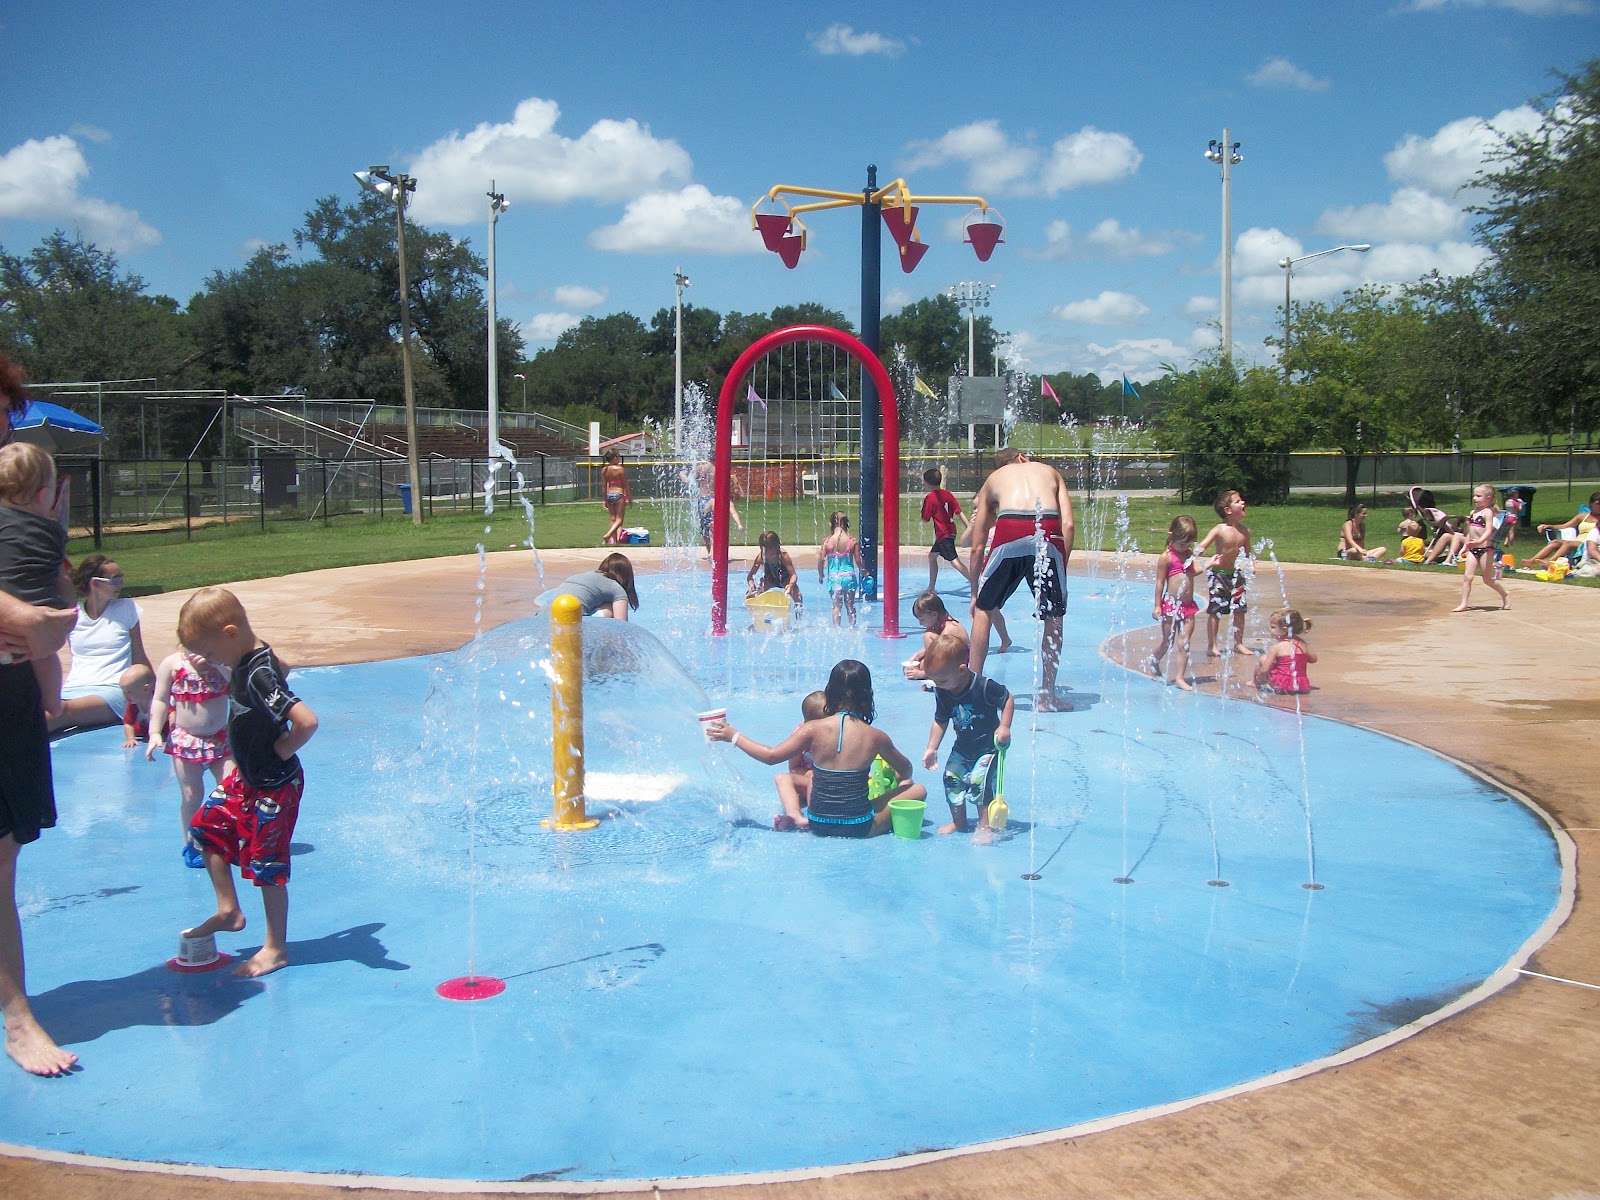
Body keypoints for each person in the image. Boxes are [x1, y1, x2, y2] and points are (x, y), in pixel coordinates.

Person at [1, 355, 81, 1076]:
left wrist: (40, 622)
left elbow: (52, 620)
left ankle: (15, 1010)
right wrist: (29, 617)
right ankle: (18, 1017)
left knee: (3, 856)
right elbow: (38, 619)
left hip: (11, 690)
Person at [178, 587, 318, 979]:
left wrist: (282, 748)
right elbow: (282, 668)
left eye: (209, 653)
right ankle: (229, 910)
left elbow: (307, 721)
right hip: (248, 778)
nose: (208, 662)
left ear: (229, 632)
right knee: (205, 829)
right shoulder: (251, 657)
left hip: (274, 784)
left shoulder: (256, 673)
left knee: (266, 864)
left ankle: (275, 949)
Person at [708, 659, 925, 836]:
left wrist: (733, 736)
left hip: (818, 822)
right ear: (868, 693)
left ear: (829, 691)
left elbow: (771, 756)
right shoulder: (876, 737)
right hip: (859, 826)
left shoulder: (812, 729)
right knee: (917, 789)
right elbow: (906, 770)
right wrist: (895, 780)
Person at [967, 447, 1074, 710]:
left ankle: (972, 689)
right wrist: (1062, 566)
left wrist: (974, 593)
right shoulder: (1050, 472)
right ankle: (1047, 696)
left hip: (1009, 527)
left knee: (984, 610)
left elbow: (977, 544)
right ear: (1023, 457)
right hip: (1046, 528)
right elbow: (1068, 525)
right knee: (1053, 616)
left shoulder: (993, 480)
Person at [146, 640, 236, 868]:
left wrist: (217, 663)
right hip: (187, 740)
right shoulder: (172, 664)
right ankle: (192, 844)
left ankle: (227, 839)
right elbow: (160, 699)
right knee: (191, 794)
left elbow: (239, 685)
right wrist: (155, 732)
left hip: (220, 739)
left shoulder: (222, 662)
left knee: (230, 790)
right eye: (190, 644)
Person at [0, 442, 73, 718]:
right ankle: (53, 703)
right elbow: (59, 574)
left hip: (7, 615)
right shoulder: (51, 530)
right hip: (41, 611)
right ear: (43, 495)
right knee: (44, 657)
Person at [48, 553, 154, 733]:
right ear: (95, 583)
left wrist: (157, 694)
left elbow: (139, 656)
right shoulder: (74, 615)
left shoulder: (127, 608)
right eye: (115, 580)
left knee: (63, 713)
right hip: (74, 687)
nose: (121, 583)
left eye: (121, 577)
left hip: (113, 690)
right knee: (45, 708)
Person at [920, 634, 1014, 836]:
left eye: (942, 680)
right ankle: (959, 823)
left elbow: (1007, 699)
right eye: (934, 680)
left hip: (988, 748)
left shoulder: (983, 686)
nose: (938, 684)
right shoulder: (943, 690)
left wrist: (1004, 726)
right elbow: (940, 720)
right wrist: (932, 748)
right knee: (951, 780)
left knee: (980, 785)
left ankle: (984, 826)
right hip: (962, 748)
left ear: (961, 670)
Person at [1197, 489, 1253, 658]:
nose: (1243, 503)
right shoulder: (1219, 529)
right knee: (1216, 610)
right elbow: (1203, 545)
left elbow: (1247, 555)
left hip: (1236, 575)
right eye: (1238, 501)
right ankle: (1212, 645)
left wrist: (1251, 564)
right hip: (1218, 575)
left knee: (1240, 609)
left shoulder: (1245, 531)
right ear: (1228, 511)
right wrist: (1192, 554)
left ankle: (1238, 643)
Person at [1148, 515, 1200, 691]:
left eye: (1189, 544)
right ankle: (1154, 661)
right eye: (1182, 544)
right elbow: (1160, 583)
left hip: (1188, 606)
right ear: (1171, 535)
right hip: (1170, 605)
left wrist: (1211, 564)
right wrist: (1157, 605)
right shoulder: (1166, 557)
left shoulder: (1188, 553)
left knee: (1184, 642)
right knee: (1168, 642)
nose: (1185, 547)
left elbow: (1192, 573)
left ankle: (1179, 677)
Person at [1453, 484, 1511, 613]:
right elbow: (1470, 532)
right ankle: (1464, 603)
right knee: (1468, 577)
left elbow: (1489, 529)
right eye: (1474, 495)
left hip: (1485, 549)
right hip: (1472, 550)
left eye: (1478, 496)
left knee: (1487, 579)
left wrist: (1480, 541)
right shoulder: (1473, 513)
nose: (1475, 498)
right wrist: (1464, 546)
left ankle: (1505, 594)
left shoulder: (1488, 512)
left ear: (1488, 498)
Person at [536, 552, 640, 620]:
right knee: (610, 607)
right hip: (566, 624)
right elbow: (621, 626)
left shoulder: (582, 577)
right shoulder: (615, 587)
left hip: (539, 619)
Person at [774, 690, 828, 821]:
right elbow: (793, 768)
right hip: (809, 782)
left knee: (816, 777)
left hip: (828, 786)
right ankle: (794, 815)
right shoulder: (800, 736)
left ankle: (814, 815)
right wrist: (810, 775)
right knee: (781, 778)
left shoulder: (835, 736)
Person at [919, 467, 967, 593]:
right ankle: (931, 587)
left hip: (943, 534)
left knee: (955, 562)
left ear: (927, 483)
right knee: (932, 556)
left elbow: (925, 519)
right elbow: (959, 512)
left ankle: (976, 582)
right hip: (950, 532)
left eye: (924, 482)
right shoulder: (948, 494)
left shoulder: (930, 498)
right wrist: (969, 527)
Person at [903, 592, 967, 680]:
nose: (920, 623)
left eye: (922, 620)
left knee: (928, 636)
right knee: (921, 664)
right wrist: (917, 655)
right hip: (954, 658)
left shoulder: (949, 629)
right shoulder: (942, 621)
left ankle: (930, 672)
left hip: (957, 664)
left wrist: (921, 674)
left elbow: (942, 660)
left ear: (934, 614)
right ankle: (929, 669)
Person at [1527, 490, 1600, 566]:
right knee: (1556, 542)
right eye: (1598, 504)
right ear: (1591, 504)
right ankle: (1531, 561)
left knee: (1568, 543)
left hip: (1591, 543)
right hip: (1578, 541)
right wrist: (1549, 526)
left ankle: (1550, 562)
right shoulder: (1583, 516)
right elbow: (1565, 526)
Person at [1254, 609, 1317, 696]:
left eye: (1272, 627)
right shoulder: (1302, 644)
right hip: (1301, 685)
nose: (1269, 629)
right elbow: (1314, 659)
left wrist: (1260, 679)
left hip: (1281, 685)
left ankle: (1254, 683)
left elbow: (1264, 670)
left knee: (1263, 659)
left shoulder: (1276, 647)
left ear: (1284, 630)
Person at [689, 460, 744, 558]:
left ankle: (710, 551)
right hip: (715, 497)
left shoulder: (701, 468)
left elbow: (690, 479)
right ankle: (714, 552)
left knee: (706, 527)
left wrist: (682, 475)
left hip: (703, 497)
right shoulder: (719, 469)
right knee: (716, 527)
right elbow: (731, 482)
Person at [819, 510, 862, 627]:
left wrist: (821, 574)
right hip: (848, 577)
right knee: (850, 605)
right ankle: (852, 628)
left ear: (830, 524)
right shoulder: (851, 542)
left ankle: (837, 629)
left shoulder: (827, 542)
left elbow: (821, 560)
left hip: (834, 578)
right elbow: (858, 560)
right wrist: (864, 571)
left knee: (836, 606)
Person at [746, 530, 803, 606]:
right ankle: (755, 612)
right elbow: (750, 576)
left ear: (776, 547)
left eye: (770, 551)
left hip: (785, 580)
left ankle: (799, 613)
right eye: (764, 551)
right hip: (769, 580)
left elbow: (793, 575)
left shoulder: (783, 556)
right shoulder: (761, 557)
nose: (767, 554)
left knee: (798, 595)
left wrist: (790, 585)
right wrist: (752, 585)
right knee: (750, 595)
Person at [599, 450, 631, 546]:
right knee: (619, 519)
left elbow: (604, 486)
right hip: (619, 494)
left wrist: (604, 500)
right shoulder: (619, 469)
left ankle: (614, 541)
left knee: (613, 519)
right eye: (618, 456)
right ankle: (608, 535)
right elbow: (625, 484)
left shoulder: (604, 470)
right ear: (614, 457)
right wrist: (630, 498)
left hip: (609, 495)